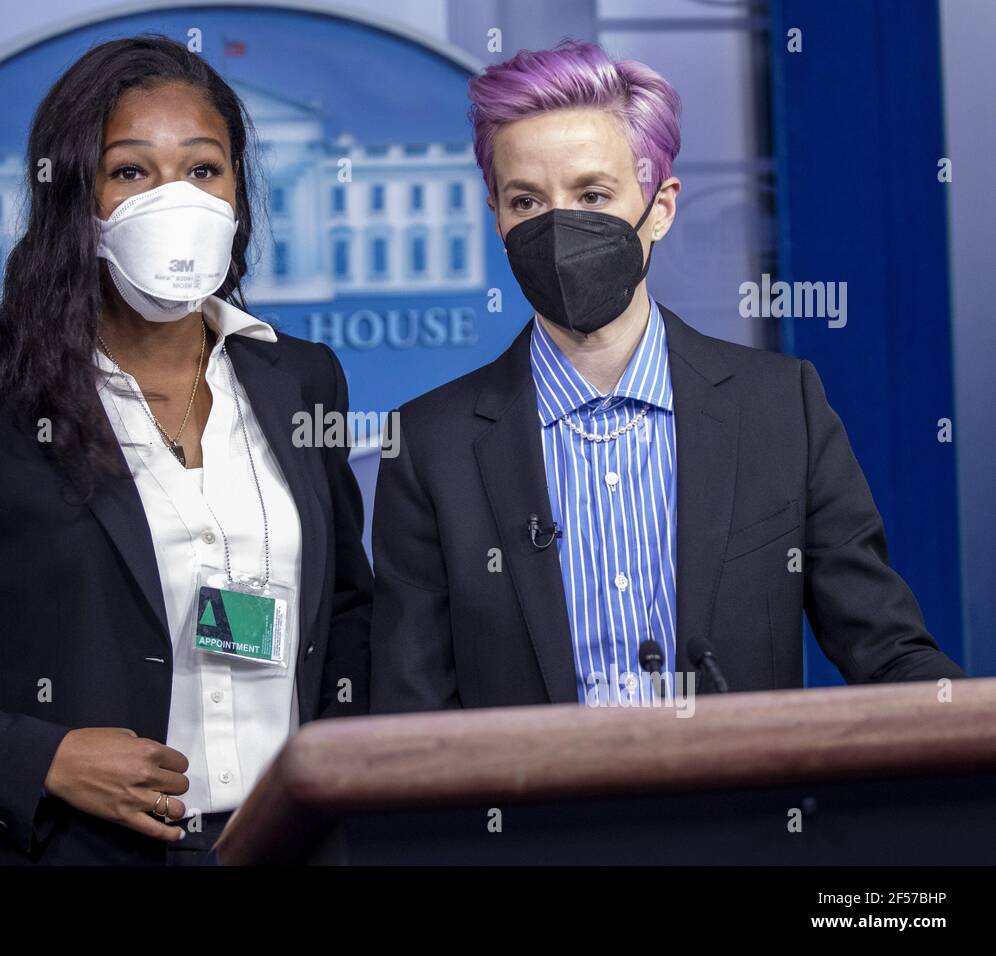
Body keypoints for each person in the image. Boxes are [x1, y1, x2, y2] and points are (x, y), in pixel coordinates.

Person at [0, 35, 372, 865]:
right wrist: (44, 760)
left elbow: (349, 612)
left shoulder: (302, 380)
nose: (177, 200)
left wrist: (330, 784)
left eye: (204, 169)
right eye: (131, 171)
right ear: (74, 198)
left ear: (238, 190)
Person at [369, 38, 963, 713]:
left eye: (593, 194)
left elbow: (887, 651)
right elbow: (410, 717)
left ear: (662, 207)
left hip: (739, 815)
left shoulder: (780, 410)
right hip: (539, 819)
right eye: (527, 202)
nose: (560, 226)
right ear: (495, 218)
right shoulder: (429, 444)